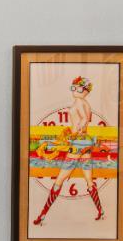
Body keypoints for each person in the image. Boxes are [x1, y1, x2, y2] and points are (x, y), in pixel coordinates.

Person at [32, 76, 104, 225]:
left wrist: (75, 132)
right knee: (89, 181)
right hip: (85, 143)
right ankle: (100, 211)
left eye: (78, 88)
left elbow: (84, 119)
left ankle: (43, 214)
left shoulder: (79, 102)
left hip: (78, 143)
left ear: (86, 91)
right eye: (73, 87)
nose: (75, 90)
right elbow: (85, 119)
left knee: (59, 179)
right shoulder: (86, 103)